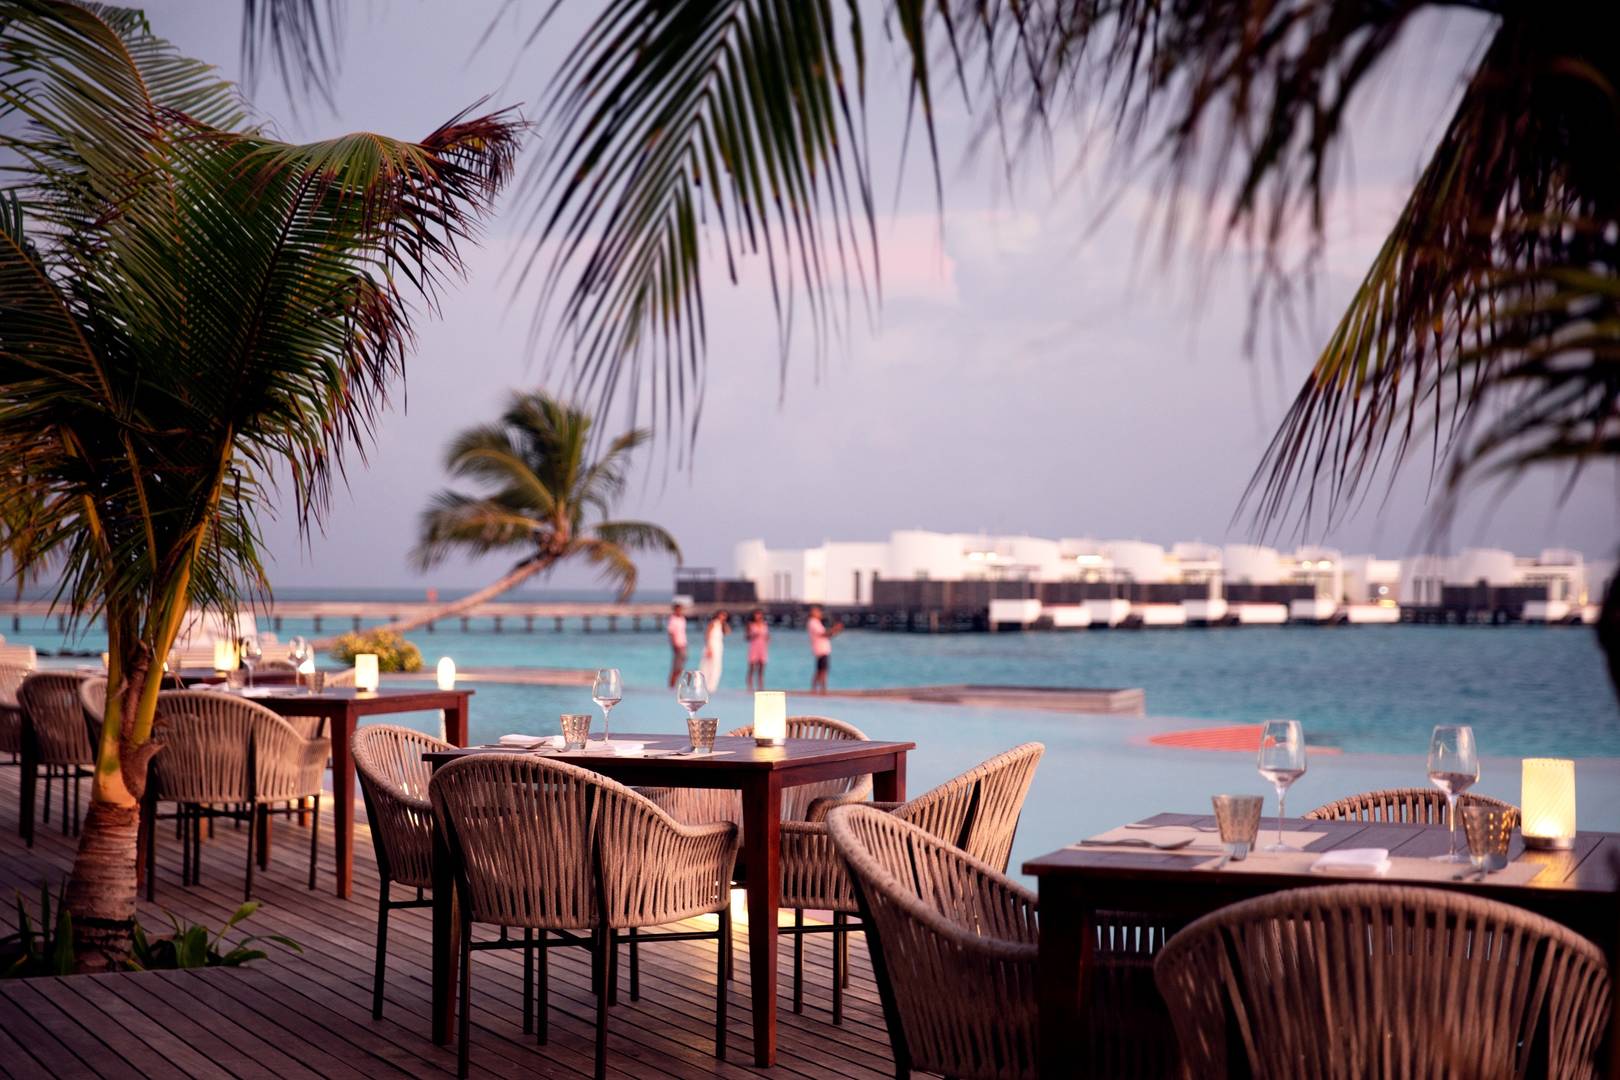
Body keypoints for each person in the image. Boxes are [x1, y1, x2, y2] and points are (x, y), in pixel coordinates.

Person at [806, 604, 843, 694]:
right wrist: (835, 629)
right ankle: (822, 689)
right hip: (821, 649)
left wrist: (835, 631)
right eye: (818, 611)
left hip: (822, 648)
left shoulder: (817, 622)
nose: (820, 613)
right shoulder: (813, 622)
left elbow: (826, 636)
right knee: (823, 670)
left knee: (821, 670)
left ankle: (817, 689)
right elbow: (823, 634)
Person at [700, 610, 729, 690]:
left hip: (718, 647)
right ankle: (705, 686)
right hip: (711, 646)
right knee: (707, 666)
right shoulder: (713, 623)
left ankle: (712, 687)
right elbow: (707, 635)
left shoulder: (721, 625)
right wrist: (709, 648)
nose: (723, 617)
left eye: (724, 616)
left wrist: (724, 623)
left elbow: (728, 631)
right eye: (722, 615)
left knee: (716, 667)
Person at [745, 609, 770, 690]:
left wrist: (767, 639)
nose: (758, 616)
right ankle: (750, 686)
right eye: (756, 614)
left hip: (763, 647)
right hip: (754, 647)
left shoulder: (765, 624)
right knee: (752, 667)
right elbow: (746, 637)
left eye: (759, 614)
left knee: (762, 668)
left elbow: (768, 636)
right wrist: (753, 636)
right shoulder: (750, 625)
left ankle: (761, 686)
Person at [666, 601, 688, 688]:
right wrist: (674, 644)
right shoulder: (673, 619)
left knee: (681, 667)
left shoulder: (682, 618)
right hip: (677, 645)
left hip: (683, 644)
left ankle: (675, 684)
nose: (680, 611)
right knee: (676, 667)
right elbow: (671, 633)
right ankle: (671, 685)